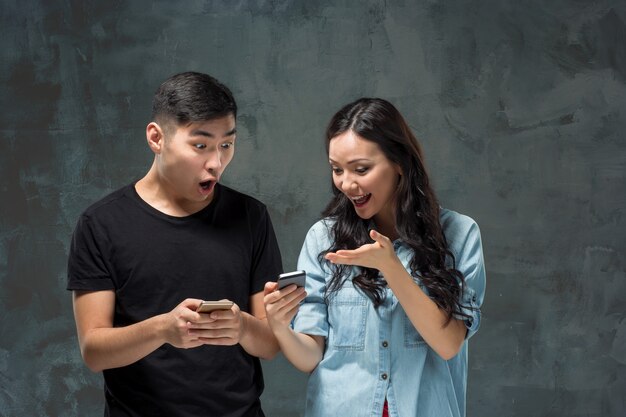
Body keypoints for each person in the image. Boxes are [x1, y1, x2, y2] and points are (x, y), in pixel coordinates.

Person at [67, 71, 283, 417]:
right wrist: (163, 329)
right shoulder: (101, 224)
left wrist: (241, 326)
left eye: (226, 144)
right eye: (200, 145)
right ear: (156, 138)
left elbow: (272, 344)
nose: (215, 162)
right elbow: (94, 350)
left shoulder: (251, 217)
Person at [264, 98, 486, 417]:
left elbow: (448, 344)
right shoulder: (323, 239)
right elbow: (311, 357)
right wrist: (281, 327)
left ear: (399, 163)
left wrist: (391, 267)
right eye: (337, 170)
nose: (346, 183)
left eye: (361, 169)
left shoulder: (460, 234)